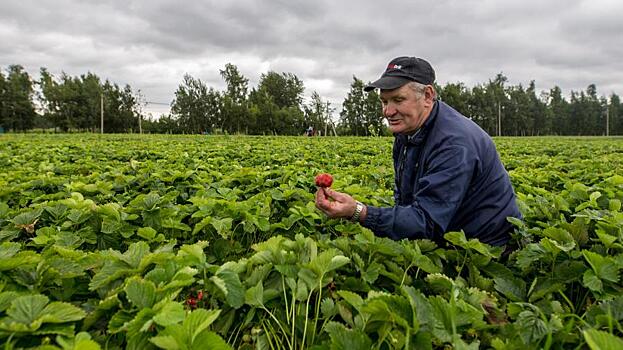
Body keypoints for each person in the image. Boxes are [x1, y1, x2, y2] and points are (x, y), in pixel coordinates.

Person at [315, 56, 521, 247]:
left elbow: (427, 221)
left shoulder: (454, 143)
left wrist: (359, 212)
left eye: (398, 99)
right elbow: (405, 196)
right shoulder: (408, 129)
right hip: (448, 233)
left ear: (428, 96)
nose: (388, 111)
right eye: (384, 101)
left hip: (484, 247)